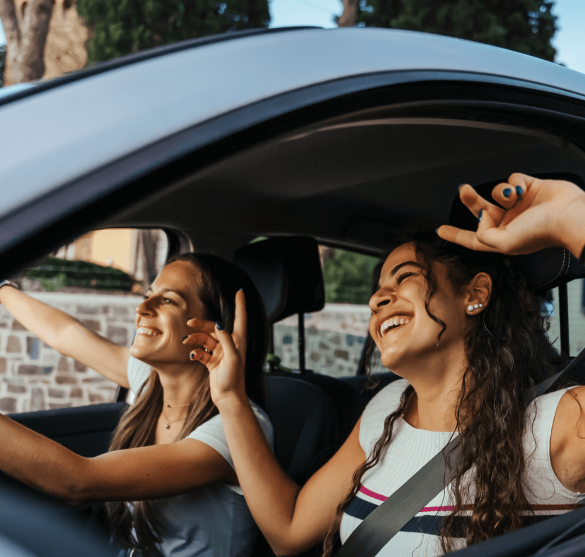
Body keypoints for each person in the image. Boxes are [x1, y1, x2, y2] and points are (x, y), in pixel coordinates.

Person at [193, 173, 585, 556]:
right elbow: (288, 531)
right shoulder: (387, 408)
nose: (377, 300)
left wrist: (573, 219)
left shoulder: (560, 423)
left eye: (405, 277)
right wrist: (230, 397)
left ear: (476, 294)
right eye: (378, 289)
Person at [0, 252, 272, 557]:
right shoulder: (150, 381)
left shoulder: (234, 427)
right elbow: (64, 333)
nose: (142, 308)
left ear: (215, 329)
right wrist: (3, 288)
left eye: (168, 300)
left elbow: (77, 480)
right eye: (147, 295)